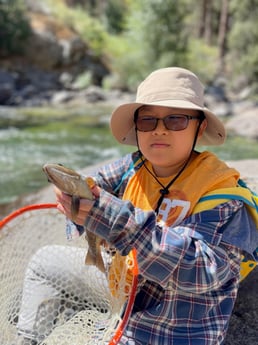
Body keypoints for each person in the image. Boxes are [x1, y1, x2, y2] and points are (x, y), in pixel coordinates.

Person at [17, 67, 258, 345]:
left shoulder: (221, 193)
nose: (159, 130)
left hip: (167, 329)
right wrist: (74, 204)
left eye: (175, 120)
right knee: (44, 262)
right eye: (147, 121)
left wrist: (114, 222)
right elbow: (92, 186)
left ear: (199, 127)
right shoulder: (132, 167)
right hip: (123, 289)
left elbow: (202, 273)